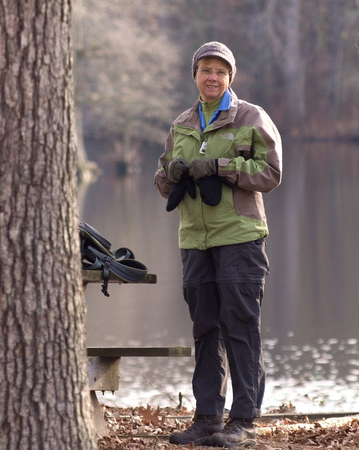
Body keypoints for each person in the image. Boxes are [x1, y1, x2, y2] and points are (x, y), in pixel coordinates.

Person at [154, 41, 282, 448]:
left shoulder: (250, 117)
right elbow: (161, 180)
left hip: (240, 237)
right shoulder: (182, 124)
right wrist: (172, 173)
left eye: (220, 72)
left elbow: (270, 172)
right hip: (194, 239)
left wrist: (222, 166)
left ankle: (244, 420)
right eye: (206, 70)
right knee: (205, 328)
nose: (213, 77)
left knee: (240, 327)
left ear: (230, 78)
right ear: (195, 75)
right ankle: (207, 418)